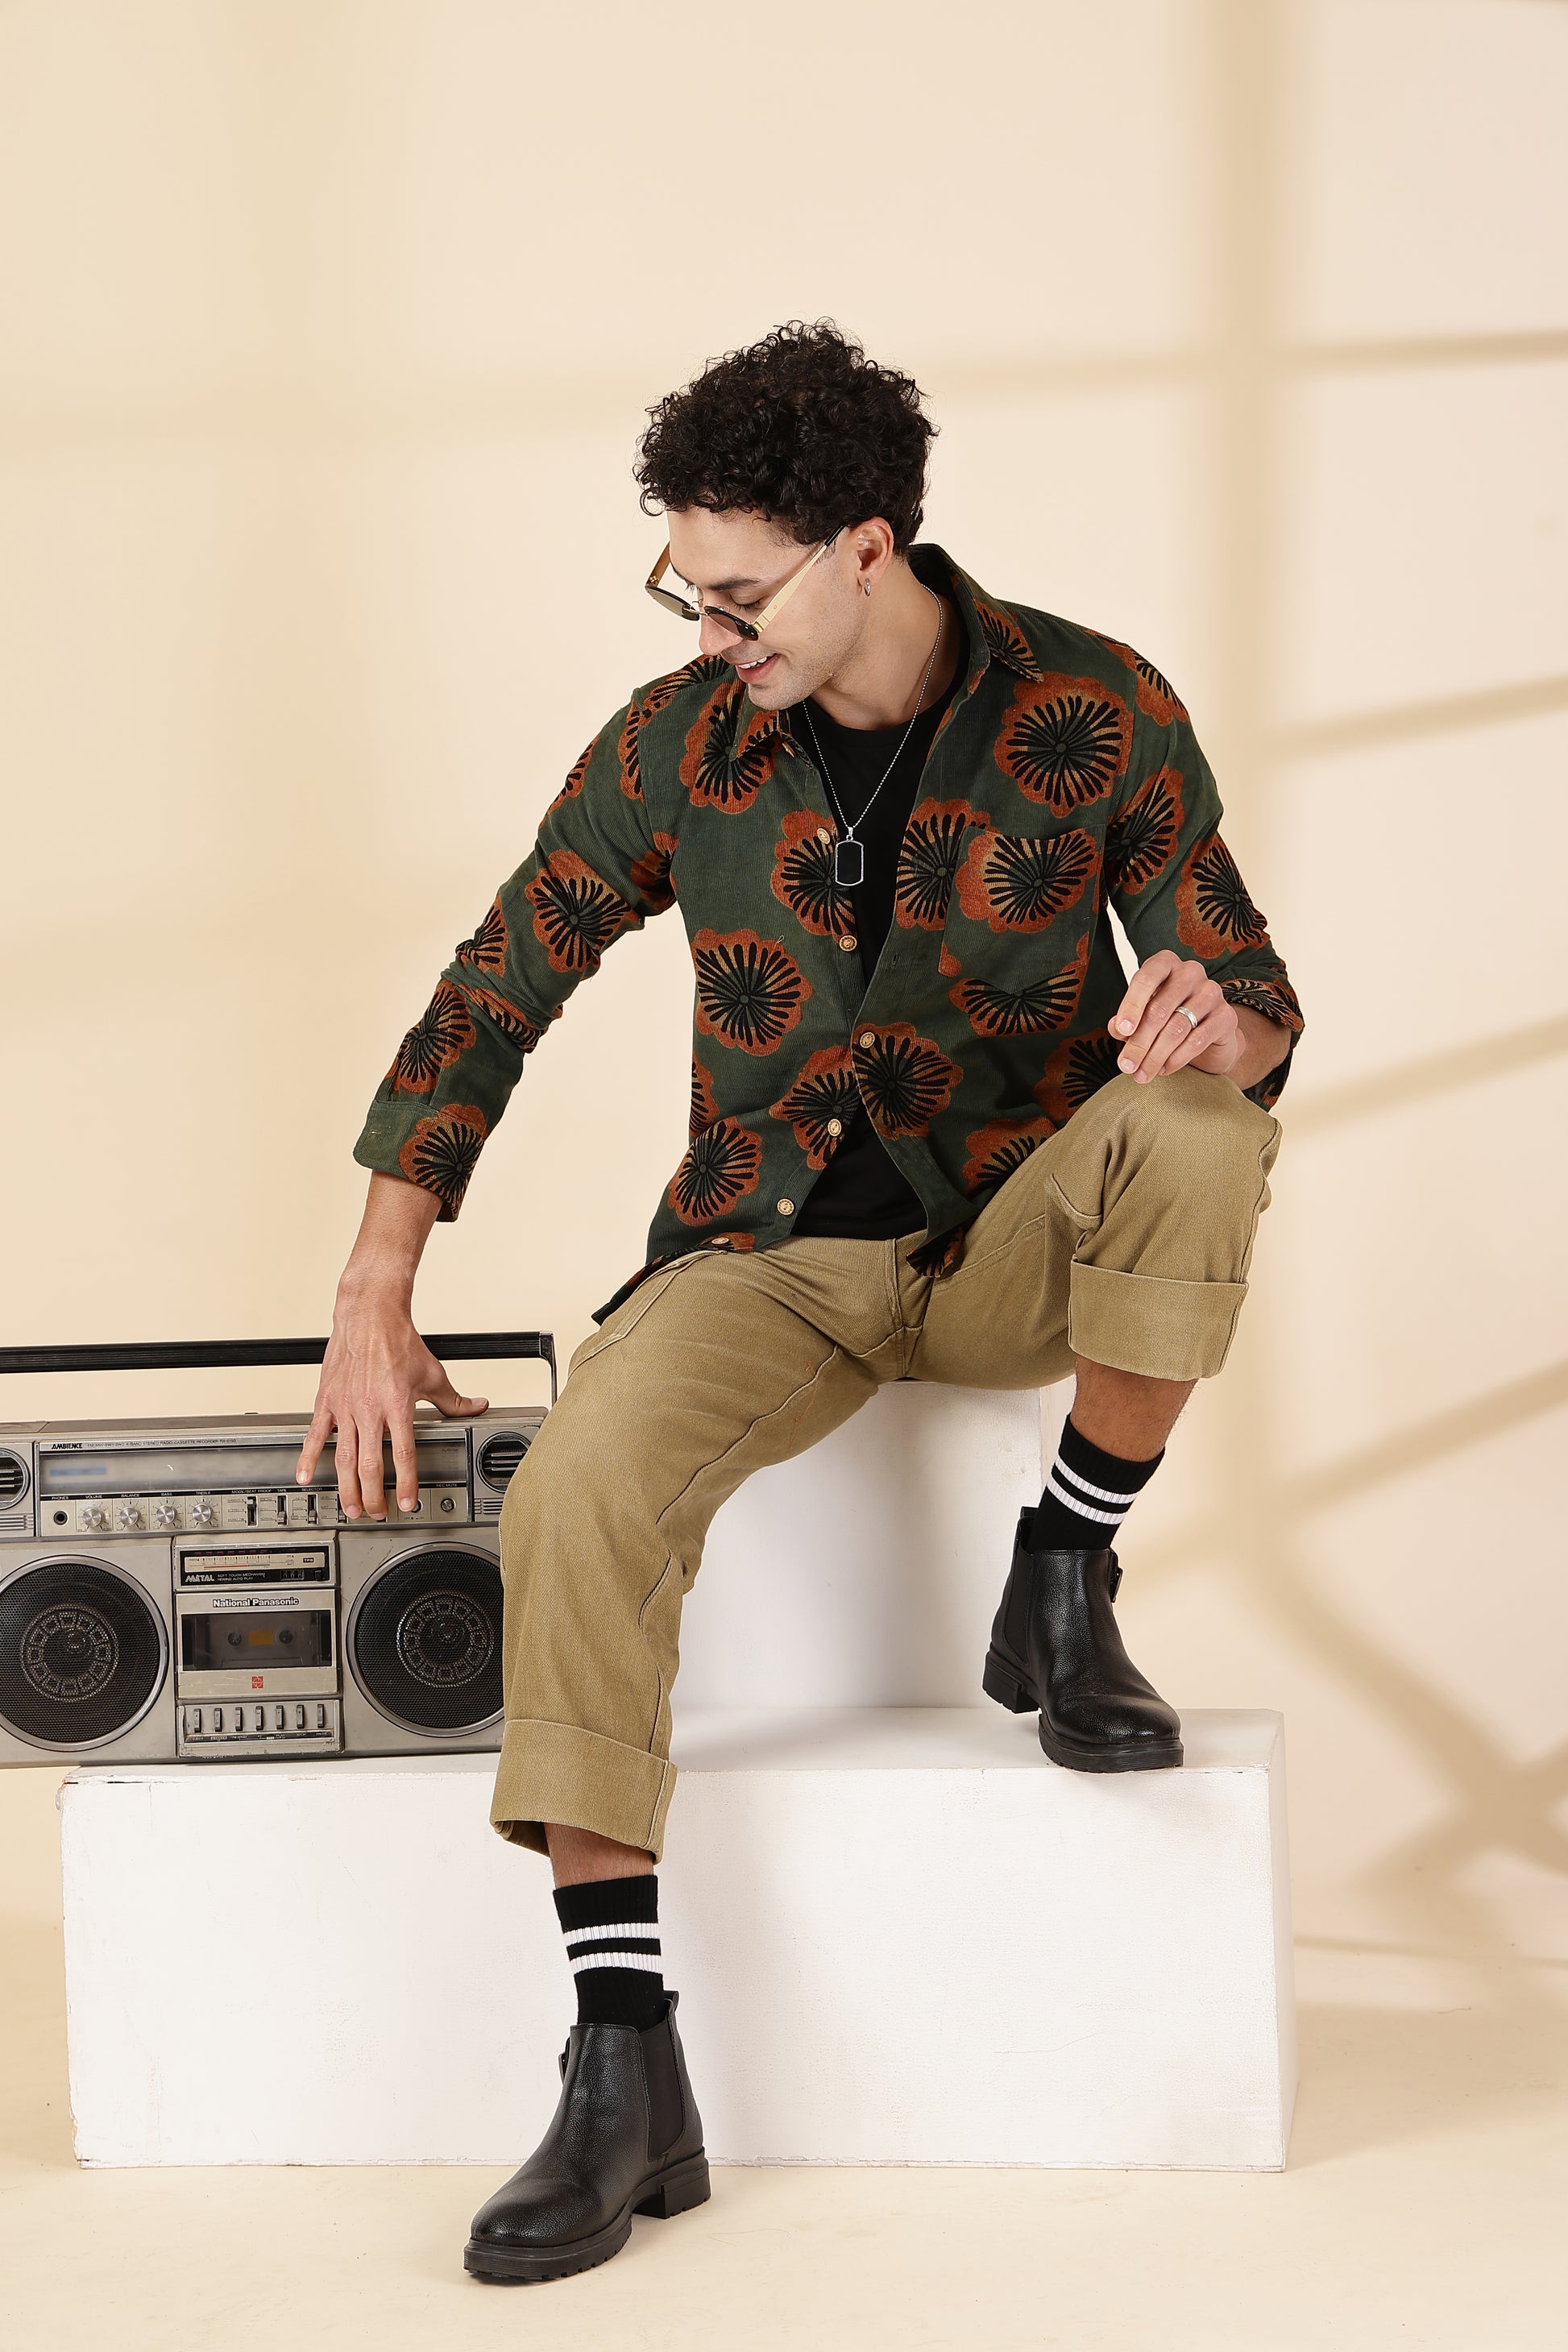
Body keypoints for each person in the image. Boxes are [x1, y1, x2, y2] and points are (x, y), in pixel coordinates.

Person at [298, 320, 1302, 2284]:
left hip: (1013, 1233)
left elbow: (1247, 984)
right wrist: (375, 1271)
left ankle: (1063, 1570)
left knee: (1197, 1129)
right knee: (582, 1477)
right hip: (764, 1254)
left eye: (739, 592)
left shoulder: (1095, 706)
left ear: (866, 546)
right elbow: (497, 981)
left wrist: (1218, 1023)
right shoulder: (676, 744)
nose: (707, 626)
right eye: (681, 584)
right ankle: (621, 2059)